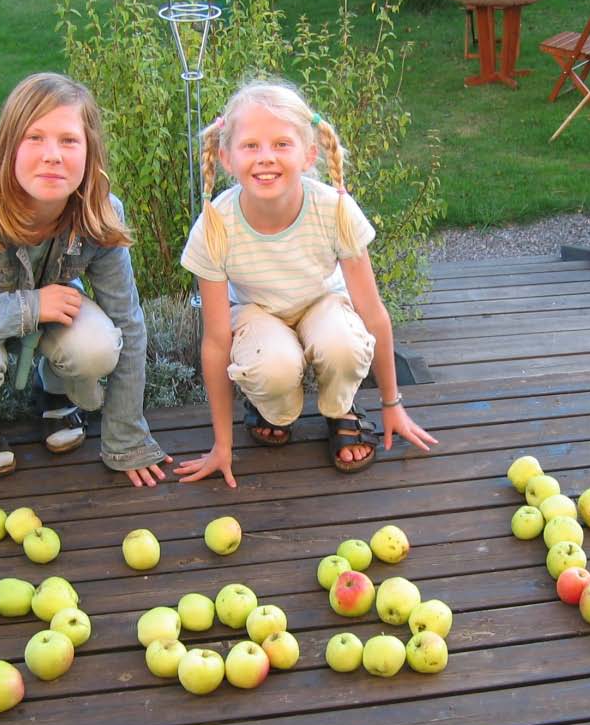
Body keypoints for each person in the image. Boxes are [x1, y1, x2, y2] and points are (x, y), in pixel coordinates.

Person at [0, 72, 171, 485]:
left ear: (90, 150)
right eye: (34, 137)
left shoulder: (99, 212)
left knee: (97, 347)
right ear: (8, 145)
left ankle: (55, 393)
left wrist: (127, 437)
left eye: (69, 140)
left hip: (51, 317)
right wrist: (29, 307)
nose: (53, 155)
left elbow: (129, 322)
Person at [175, 79, 437, 488]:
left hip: (323, 303)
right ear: (226, 157)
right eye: (251, 146)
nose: (266, 158)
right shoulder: (215, 225)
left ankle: (342, 408)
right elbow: (215, 340)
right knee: (272, 366)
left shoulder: (334, 209)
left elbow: (373, 313)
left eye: (282, 144)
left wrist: (392, 404)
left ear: (309, 153)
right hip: (258, 315)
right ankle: (270, 407)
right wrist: (221, 446)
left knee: (343, 344)